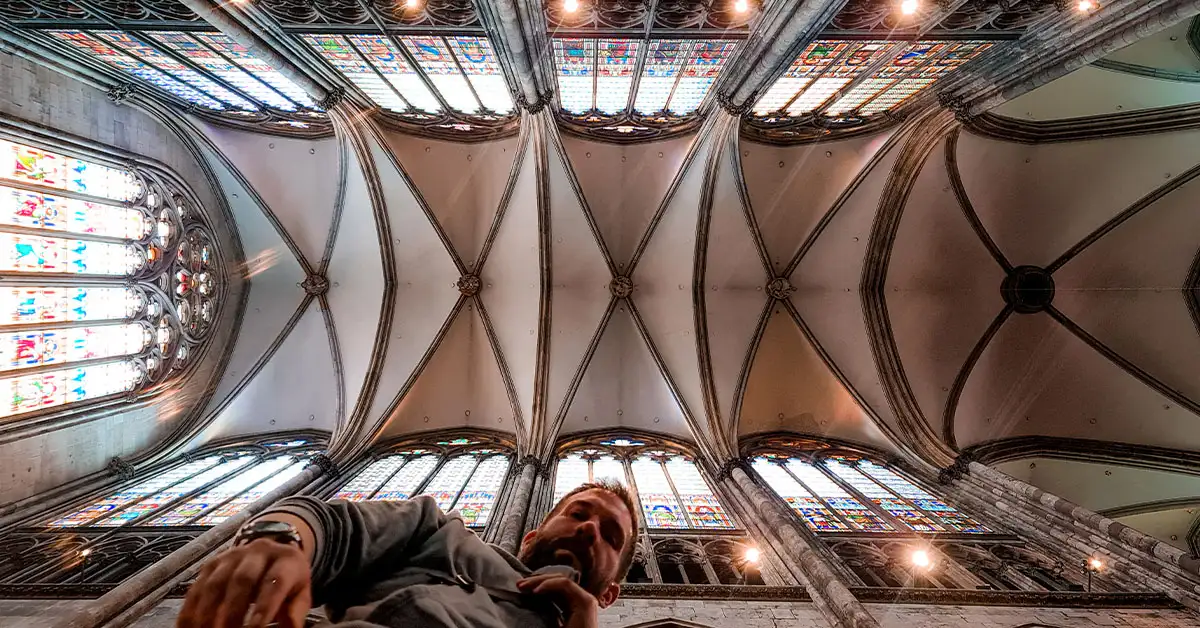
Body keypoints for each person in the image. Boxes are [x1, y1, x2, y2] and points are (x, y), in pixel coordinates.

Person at [175, 479, 638, 628]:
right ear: (531, 535)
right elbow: (334, 527)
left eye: (612, 536)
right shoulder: (443, 533)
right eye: (579, 513)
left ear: (611, 593)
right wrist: (280, 540)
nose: (590, 529)